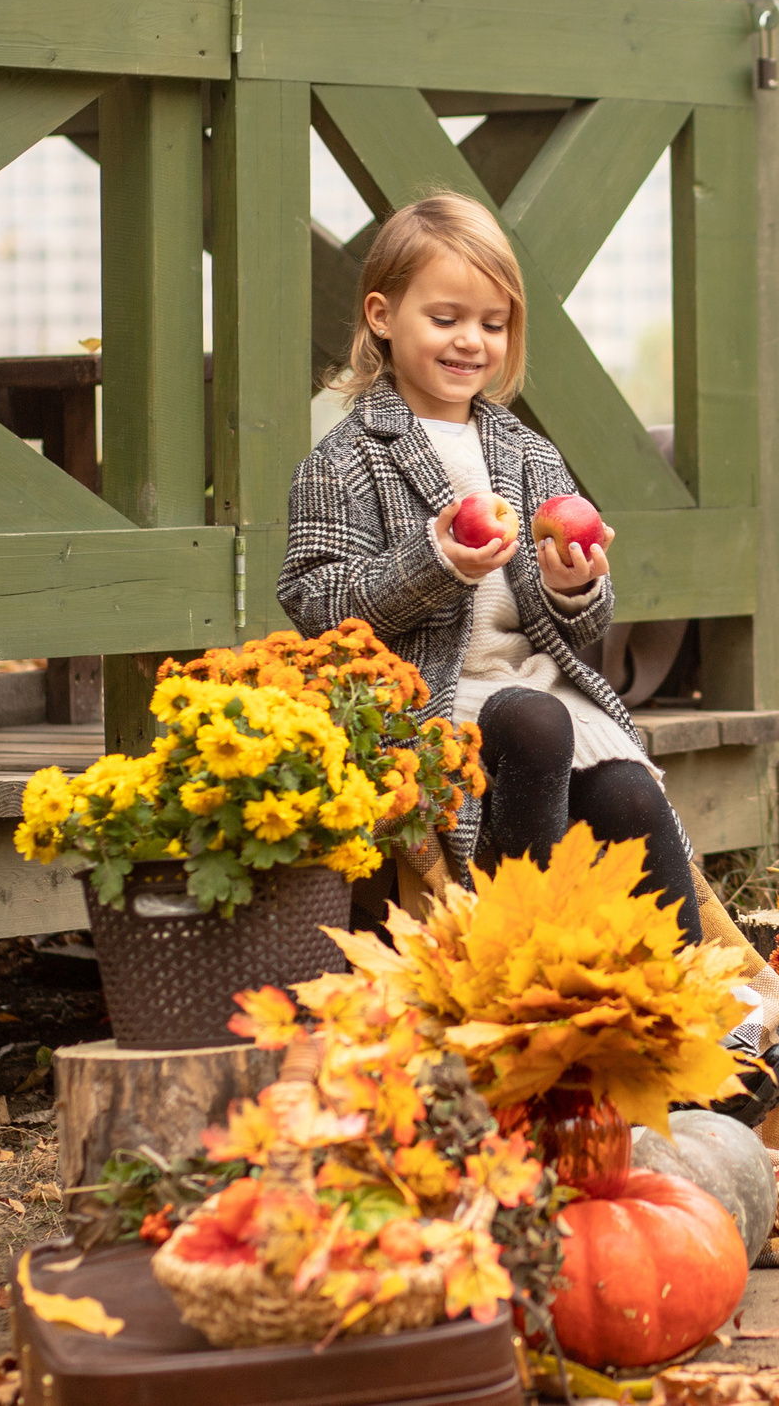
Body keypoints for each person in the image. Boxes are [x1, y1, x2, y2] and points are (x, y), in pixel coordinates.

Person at [275, 191, 714, 941]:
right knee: (538, 723)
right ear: (382, 316)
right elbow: (317, 603)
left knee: (631, 796)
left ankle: (706, 996)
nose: (470, 341)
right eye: (444, 319)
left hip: (531, 688)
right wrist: (433, 561)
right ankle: (519, 945)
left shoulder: (527, 454)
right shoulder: (345, 459)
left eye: (492, 322)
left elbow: (580, 624)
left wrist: (572, 587)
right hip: (428, 703)